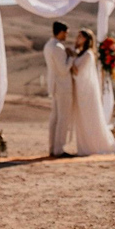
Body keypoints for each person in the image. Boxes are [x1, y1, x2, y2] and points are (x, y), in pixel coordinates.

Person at [71, 28, 115, 156]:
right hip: (80, 90)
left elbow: (77, 70)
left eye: (80, 36)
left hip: (86, 91)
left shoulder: (88, 54)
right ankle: (85, 145)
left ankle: (95, 145)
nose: (78, 39)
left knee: (90, 118)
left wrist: (69, 60)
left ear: (86, 39)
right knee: (82, 118)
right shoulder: (80, 53)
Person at [44, 21, 76, 157]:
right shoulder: (57, 47)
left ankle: (53, 147)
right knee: (63, 118)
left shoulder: (48, 45)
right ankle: (59, 149)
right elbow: (63, 69)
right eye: (66, 33)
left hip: (55, 85)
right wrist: (71, 58)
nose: (66, 36)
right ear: (61, 32)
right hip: (62, 86)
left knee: (55, 118)